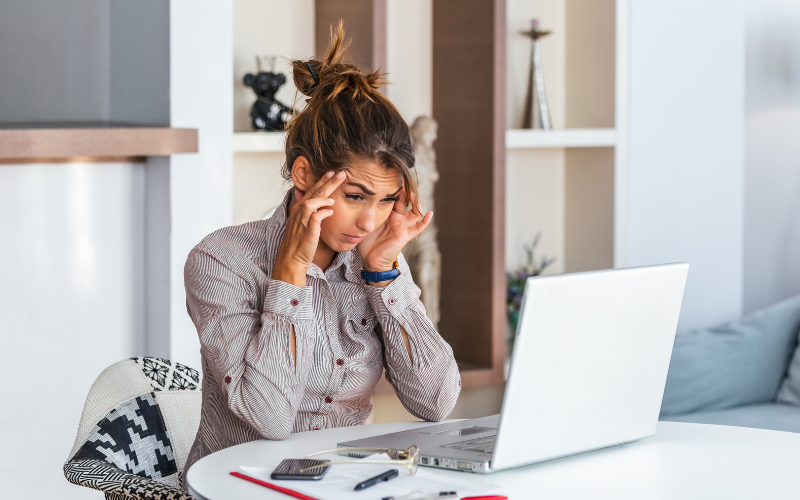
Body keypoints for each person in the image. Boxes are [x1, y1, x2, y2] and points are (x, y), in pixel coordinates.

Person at [181, 24, 461, 483]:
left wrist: (384, 275)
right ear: (305, 174)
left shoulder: (375, 258)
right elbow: (269, 417)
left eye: (387, 200)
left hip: (347, 484)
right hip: (237, 488)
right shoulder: (221, 261)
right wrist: (291, 273)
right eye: (355, 196)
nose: (371, 222)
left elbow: (435, 402)